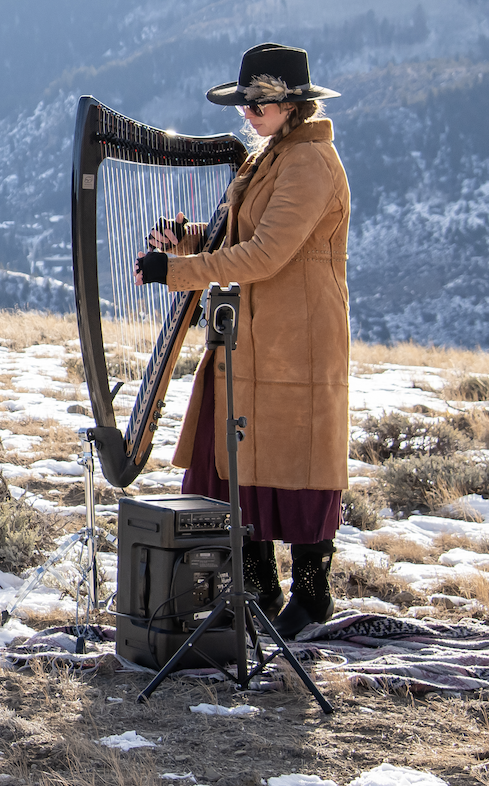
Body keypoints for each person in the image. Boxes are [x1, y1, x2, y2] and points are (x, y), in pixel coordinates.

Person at [135, 41, 350, 639]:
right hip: (252, 337)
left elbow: (266, 254)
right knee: (241, 464)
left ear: (293, 105)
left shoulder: (309, 163)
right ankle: (259, 590)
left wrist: (178, 272)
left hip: (297, 340)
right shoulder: (272, 155)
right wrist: (187, 241)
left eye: (258, 104)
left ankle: (311, 599)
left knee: (298, 467)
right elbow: (240, 237)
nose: (248, 115)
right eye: (244, 105)